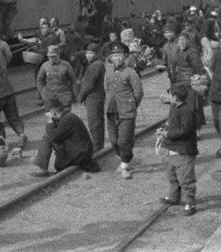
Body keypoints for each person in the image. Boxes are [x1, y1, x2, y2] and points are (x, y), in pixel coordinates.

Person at [157, 82, 198, 215]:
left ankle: (189, 203)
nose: (167, 97)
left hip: (184, 149)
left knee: (186, 178)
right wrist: (164, 128)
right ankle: (174, 196)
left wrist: (167, 134)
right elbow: (171, 122)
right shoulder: (174, 107)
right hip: (172, 148)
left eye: (169, 95)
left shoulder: (187, 111)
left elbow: (185, 130)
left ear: (175, 97)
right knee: (172, 174)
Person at [31, 98, 99, 177]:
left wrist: (50, 121)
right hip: (81, 151)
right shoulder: (67, 117)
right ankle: (41, 164)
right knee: (49, 136)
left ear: (53, 112)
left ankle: (42, 167)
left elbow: (53, 136)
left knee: (47, 137)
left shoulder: (67, 119)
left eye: (48, 114)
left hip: (80, 155)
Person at [105, 46, 143, 180]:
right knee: (114, 140)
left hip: (127, 111)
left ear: (125, 58)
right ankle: (124, 158)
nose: (117, 58)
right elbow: (107, 88)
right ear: (110, 58)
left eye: (119, 55)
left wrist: (132, 105)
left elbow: (138, 92)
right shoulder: (108, 72)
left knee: (124, 140)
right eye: (114, 56)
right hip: (111, 110)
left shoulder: (131, 72)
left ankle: (125, 166)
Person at [77, 43, 106, 149]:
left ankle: (97, 145)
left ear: (96, 54)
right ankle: (99, 144)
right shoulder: (97, 63)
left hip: (93, 96)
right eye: (87, 53)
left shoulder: (95, 65)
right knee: (97, 120)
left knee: (94, 121)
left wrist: (80, 96)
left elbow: (89, 84)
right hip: (96, 96)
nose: (88, 55)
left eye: (91, 53)